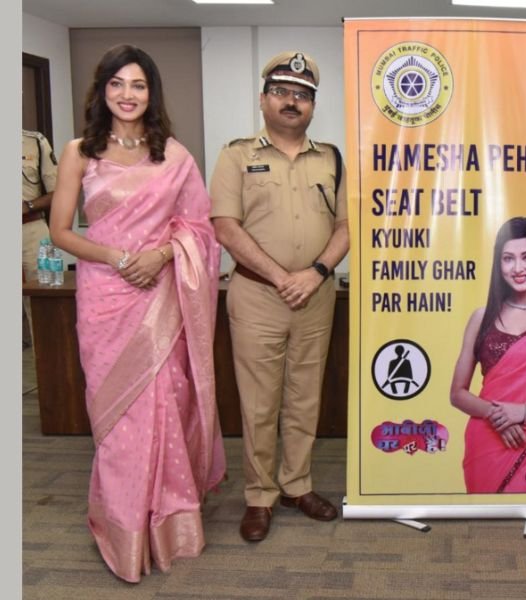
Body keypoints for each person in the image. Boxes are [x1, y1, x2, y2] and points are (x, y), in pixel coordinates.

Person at [48, 44, 226, 583]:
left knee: (167, 404)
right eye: (117, 84)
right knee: (117, 417)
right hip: (105, 298)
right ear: (102, 90)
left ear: (152, 93)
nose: (128, 95)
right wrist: (119, 259)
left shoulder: (173, 156)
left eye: (138, 85)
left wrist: (162, 255)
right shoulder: (79, 152)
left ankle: (169, 524)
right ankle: (124, 530)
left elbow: (200, 229)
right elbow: (60, 233)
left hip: (161, 297)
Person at [211, 51, 349, 542]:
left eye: (302, 95)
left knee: (305, 396)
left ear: (313, 105)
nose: (292, 101)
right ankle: (259, 495)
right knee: (259, 402)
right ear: (263, 99)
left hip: (315, 295)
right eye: (282, 92)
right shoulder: (235, 155)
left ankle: (296, 485)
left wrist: (315, 273)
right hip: (256, 296)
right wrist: (279, 276)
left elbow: (347, 225)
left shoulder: (331, 157)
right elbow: (225, 226)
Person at [450, 217, 526, 493]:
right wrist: (498, 417)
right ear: (498, 263)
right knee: (486, 517)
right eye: (508, 259)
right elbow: (457, 393)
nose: (518, 268)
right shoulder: (482, 317)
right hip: (486, 441)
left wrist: (523, 411)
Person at [22, 129, 58, 347]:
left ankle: (48, 364)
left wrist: (29, 205)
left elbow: (58, 191)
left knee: (46, 300)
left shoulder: (35, 141)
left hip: (32, 229)